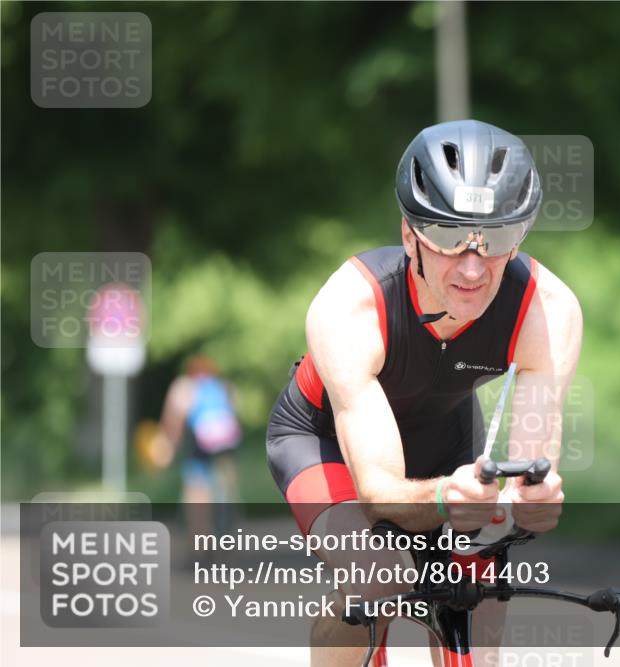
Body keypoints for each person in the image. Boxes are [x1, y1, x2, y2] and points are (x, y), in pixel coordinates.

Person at [266, 119, 582, 667]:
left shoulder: (546, 310)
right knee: (375, 578)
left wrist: (532, 502)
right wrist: (441, 500)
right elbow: (379, 495)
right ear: (410, 233)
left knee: (477, 594)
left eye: (495, 240)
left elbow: (532, 474)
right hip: (322, 440)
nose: (472, 267)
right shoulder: (351, 306)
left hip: (447, 438)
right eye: (447, 236)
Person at [153, 355, 242, 550]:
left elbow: (174, 421)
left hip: (199, 448)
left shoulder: (184, 387)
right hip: (226, 447)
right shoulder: (222, 386)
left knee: (196, 493)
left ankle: (199, 545)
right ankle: (228, 540)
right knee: (227, 491)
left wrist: (168, 448)